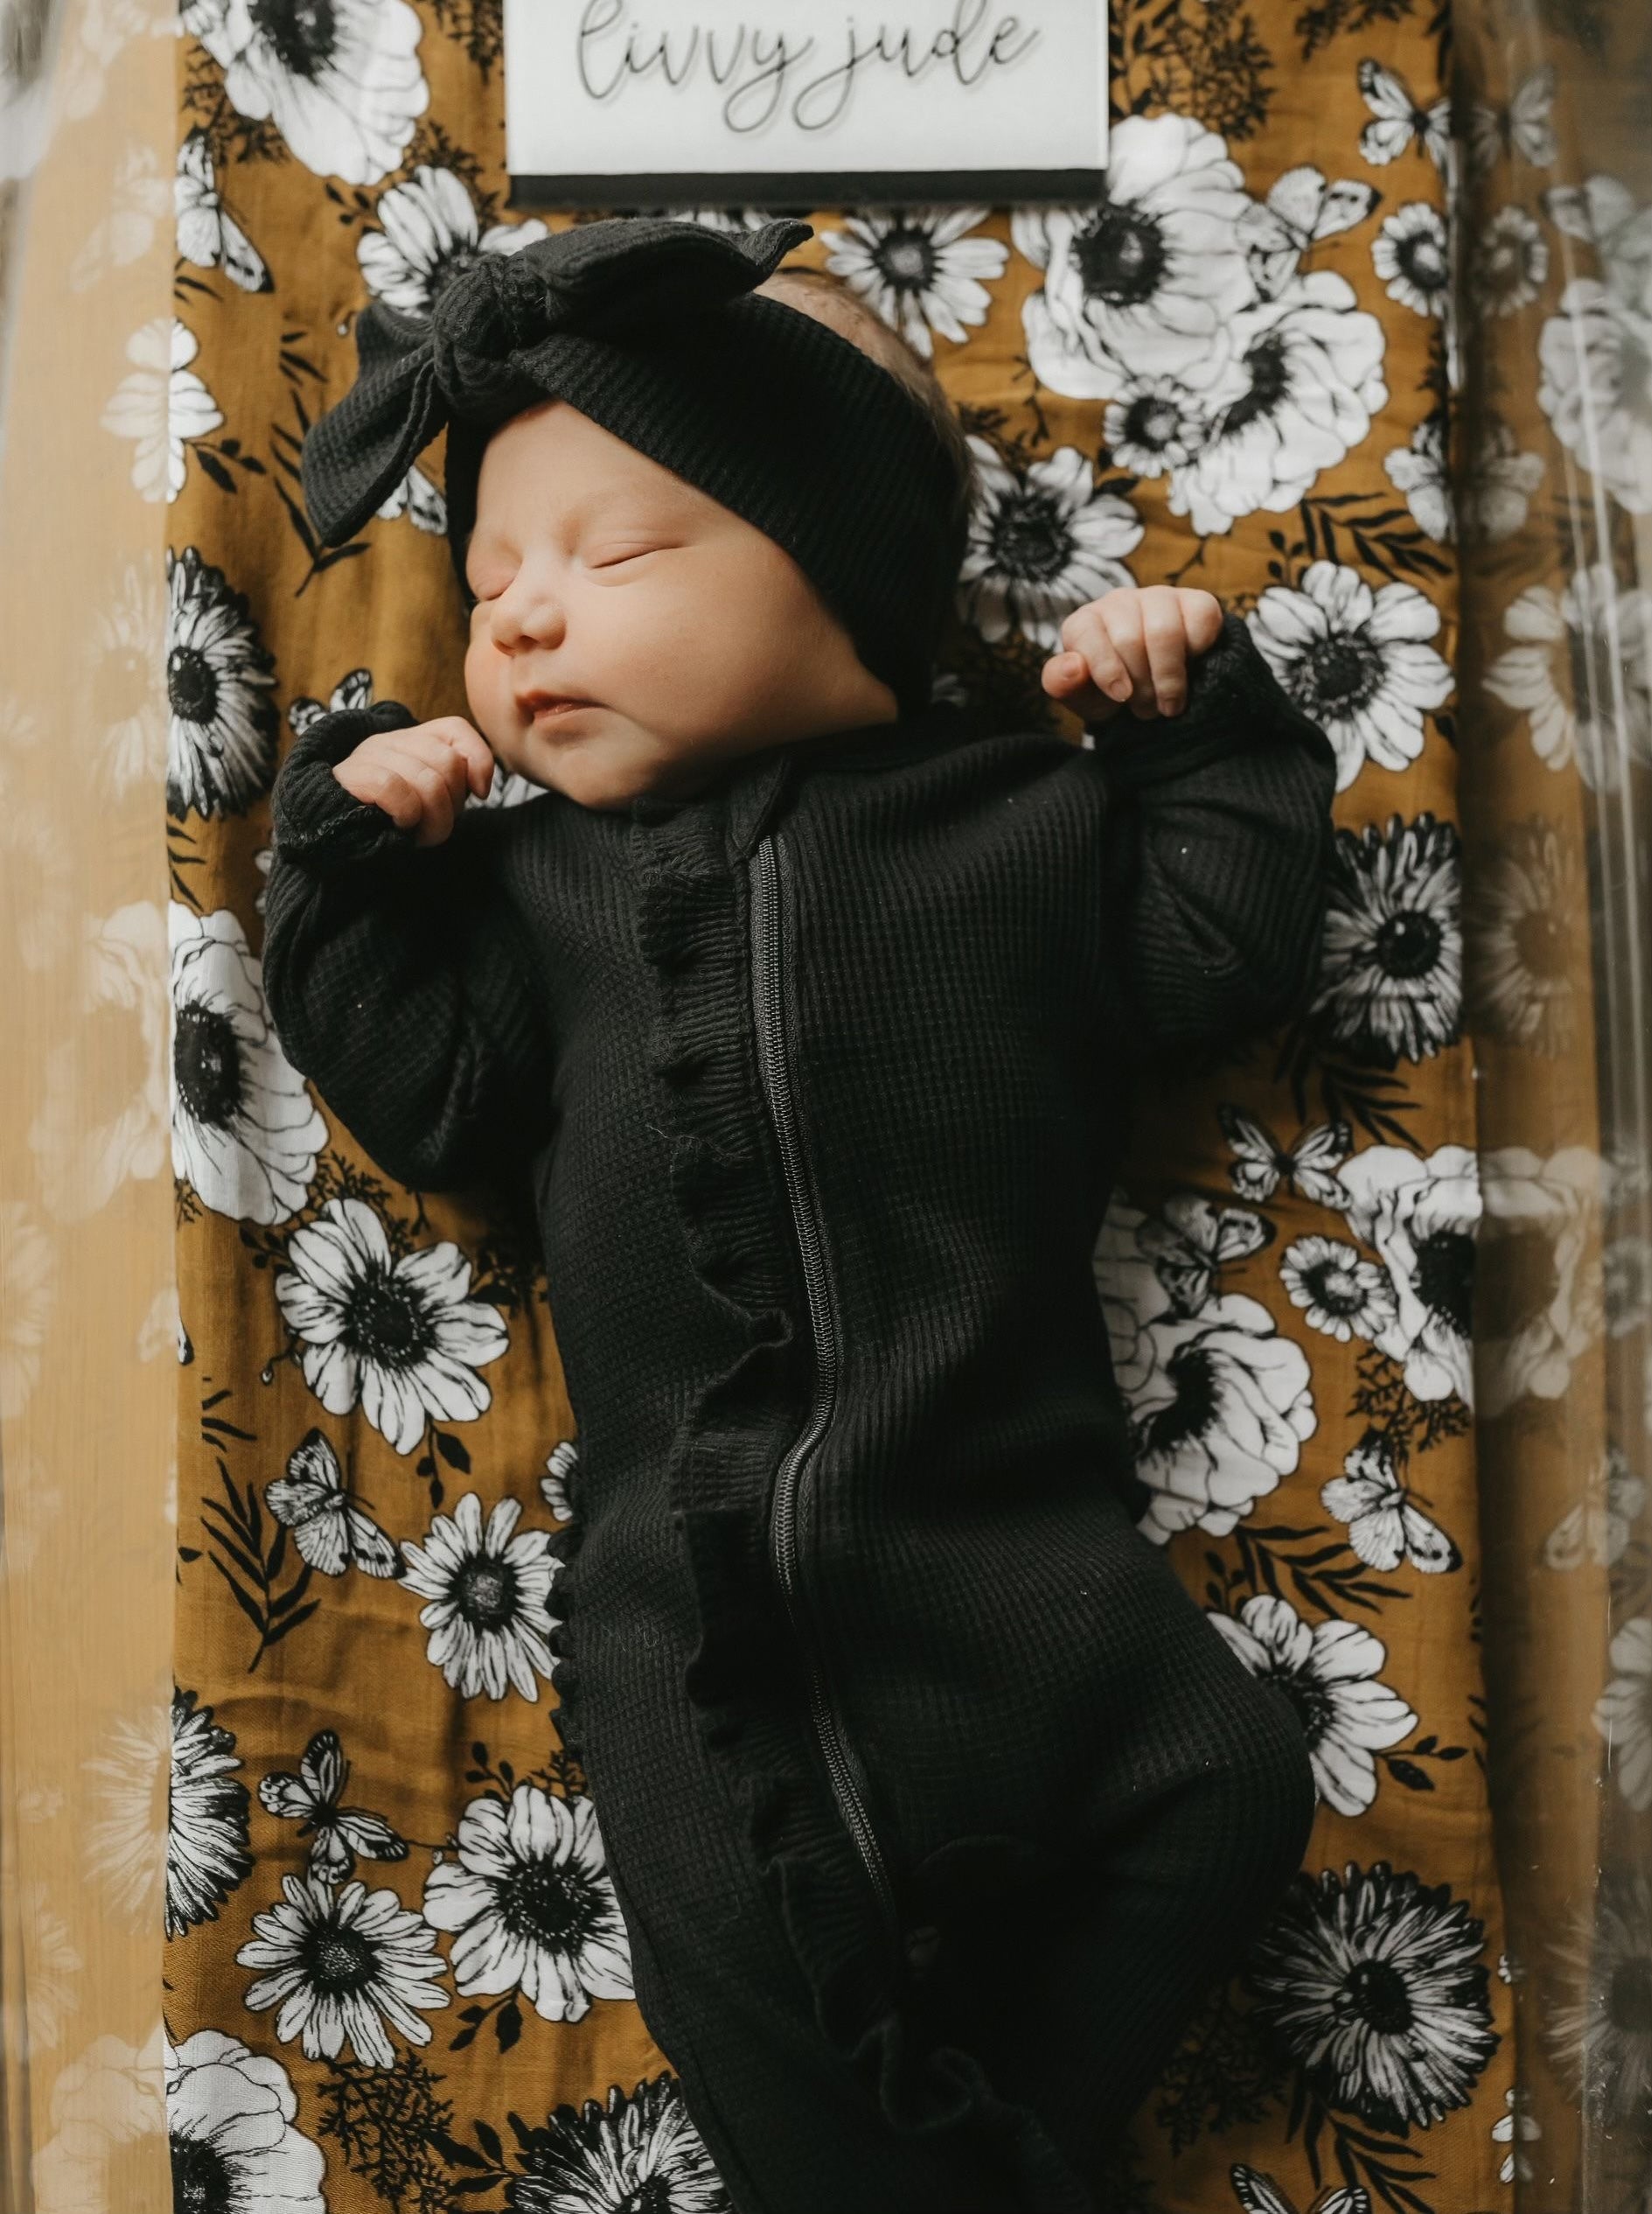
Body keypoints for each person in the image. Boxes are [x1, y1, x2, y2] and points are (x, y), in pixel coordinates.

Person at [264, 213, 1334, 2214]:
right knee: (753, 1975)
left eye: (616, 556)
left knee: (1222, 1792)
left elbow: (1224, 947)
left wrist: (1199, 732)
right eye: (489, 583)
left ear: (845, 577)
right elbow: (430, 1099)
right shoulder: (532, 896)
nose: (518, 623)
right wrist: (347, 874)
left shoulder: (1025, 822)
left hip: (1020, 1553)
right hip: (690, 1613)